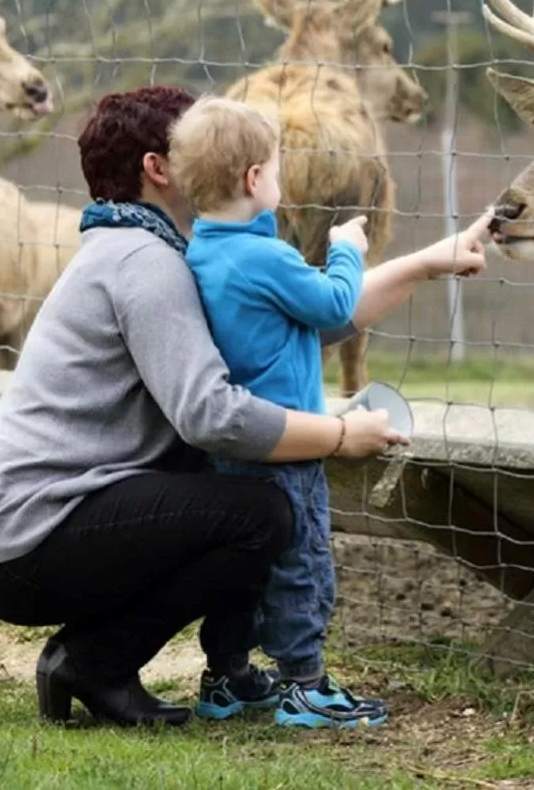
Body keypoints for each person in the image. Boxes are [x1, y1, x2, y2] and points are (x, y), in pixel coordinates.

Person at [0, 84, 485, 729]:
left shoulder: (166, 251)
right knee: (260, 515)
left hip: (25, 530)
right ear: (159, 168)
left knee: (238, 502)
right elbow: (214, 416)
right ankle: (96, 660)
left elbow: (301, 323)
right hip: (24, 541)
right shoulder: (147, 264)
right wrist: (339, 436)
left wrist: (426, 263)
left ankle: (112, 660)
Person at [166, 96, 492, 729]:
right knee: (302, 559)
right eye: (278, 167)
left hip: (231, 454)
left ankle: (226, 677)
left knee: (241, 568)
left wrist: (423, 262)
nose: (281, 179)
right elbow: (335, 301)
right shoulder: (266, 257)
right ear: (253, 180)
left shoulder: (202, 253)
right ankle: (305, 685)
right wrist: (346, 246)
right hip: (289, 448)